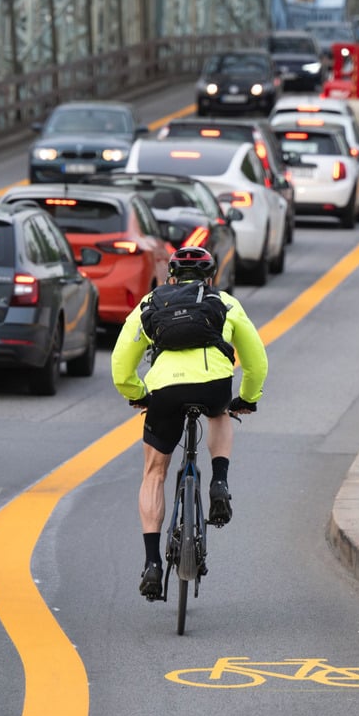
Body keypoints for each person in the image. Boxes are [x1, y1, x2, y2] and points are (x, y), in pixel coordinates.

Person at [111, 246, 268, 600]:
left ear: (171, 277)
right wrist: (248, 397)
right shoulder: (224, 302)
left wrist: (138, 393)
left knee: (154, 473)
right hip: (213, 383)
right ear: (209, 277)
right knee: (220, 412)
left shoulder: (151, 302)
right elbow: (257, 360)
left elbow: (121, 363)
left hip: (165, 391)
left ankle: (152, 564)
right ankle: (219, 484)